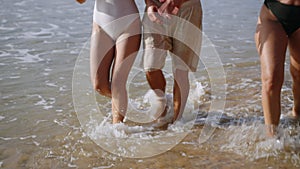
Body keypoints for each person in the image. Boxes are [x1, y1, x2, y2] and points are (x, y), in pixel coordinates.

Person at [76, 0, 141, 123]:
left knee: (118, 83)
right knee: (99, 86)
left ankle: (118, 130)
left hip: (128, 24)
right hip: (101, 25)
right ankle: (123, 100)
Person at [142, 0, 202, 126]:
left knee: (181, 70)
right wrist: (148, 3)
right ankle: (163, 106)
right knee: (150, 66)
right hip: (156, 9)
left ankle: (177, 122)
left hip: (188, 8)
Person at [255, 0, 300, 136]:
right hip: (273, 15)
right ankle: (272, 138)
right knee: (271, 80)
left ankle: (297, 117)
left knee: (299, 75)